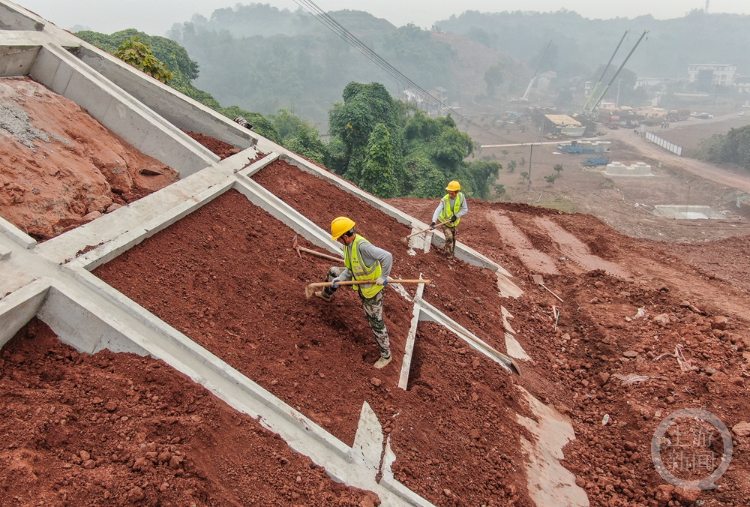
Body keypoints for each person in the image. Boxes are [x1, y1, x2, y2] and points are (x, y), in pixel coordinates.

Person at [314, 217, 393, 369]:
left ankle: (386, 355)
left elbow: (387, 256)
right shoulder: (348, 246)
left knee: (375, 322)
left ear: (345, 235)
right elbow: (350, 269)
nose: (338, 241)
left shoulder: (363, 247)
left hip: (371, 290)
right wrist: (340, 278)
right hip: (358, 281)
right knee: (333, 272)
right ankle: (326, 295)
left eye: (338, 238)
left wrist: (383, 277)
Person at [430, 180, 468, 260]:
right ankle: (448, 257)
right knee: (449, 237)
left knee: (453, 239)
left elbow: (465, 209)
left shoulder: (461, 197)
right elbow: (438, 210)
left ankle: (451, 253)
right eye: (449, 193)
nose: (450, 195)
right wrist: (433, 221)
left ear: (457, 192)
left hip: (454, 223)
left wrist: (457, 215)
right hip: (445, 222)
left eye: (452, 193)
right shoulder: (445, 199)